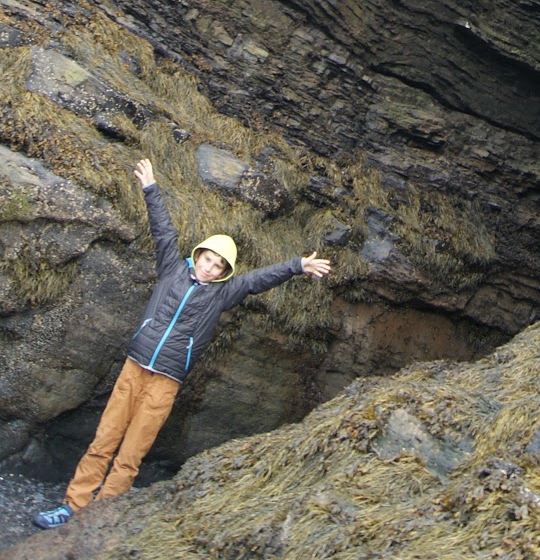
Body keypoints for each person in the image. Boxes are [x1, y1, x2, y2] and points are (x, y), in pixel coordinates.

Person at [32, 157, 331, 529]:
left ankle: (99, 521)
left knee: (131, 455)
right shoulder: (172, 269)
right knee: (103, 441)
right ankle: (72, 506)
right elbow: (163, 230)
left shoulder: (223, 294)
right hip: (133, 369)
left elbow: (258, 279)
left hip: (166, 382)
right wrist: (150, 188)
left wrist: (297, 265)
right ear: (198, 255)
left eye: (218, 266)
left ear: (224, 272)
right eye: (208, 259)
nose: (209, 267)